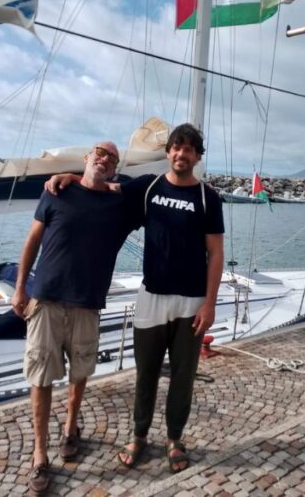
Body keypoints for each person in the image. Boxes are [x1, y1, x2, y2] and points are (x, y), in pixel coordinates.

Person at [48, 123, 224, 473]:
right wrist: (70, 177)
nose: (181, 154)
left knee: (183, 377)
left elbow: (216, 253)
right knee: (146, 373)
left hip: (191, 301)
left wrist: (209, 303)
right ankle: (139, 435)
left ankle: (175, 439)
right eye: (177, 147)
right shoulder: (148, 187)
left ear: (197, 157)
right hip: (151, 297)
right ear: (168, 152)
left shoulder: (208, 198)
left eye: (189, 150)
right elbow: (102, 186)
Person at [13, 142, 131, 495]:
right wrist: (20, 288)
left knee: (80, 372)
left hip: (87, 303)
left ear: (115, 169)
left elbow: (145, 187)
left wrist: (84, 178)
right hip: (46, 300)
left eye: (111, 157)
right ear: (86, 158)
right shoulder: (56, 192)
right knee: (40, 377)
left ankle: (70, 427)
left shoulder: (118, 204)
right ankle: (39, 453)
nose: (104, 158)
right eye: (99, 152)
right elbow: (32, 241)